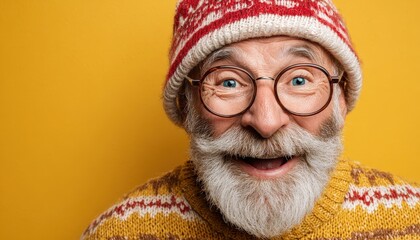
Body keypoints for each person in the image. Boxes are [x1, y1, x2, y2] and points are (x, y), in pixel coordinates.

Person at [81, 0, 420, 239]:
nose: (266, 121)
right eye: (228, 82)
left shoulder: (412, 221)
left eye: (299, 80)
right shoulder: (117, 235)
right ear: (186, 106)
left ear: (341, 98)